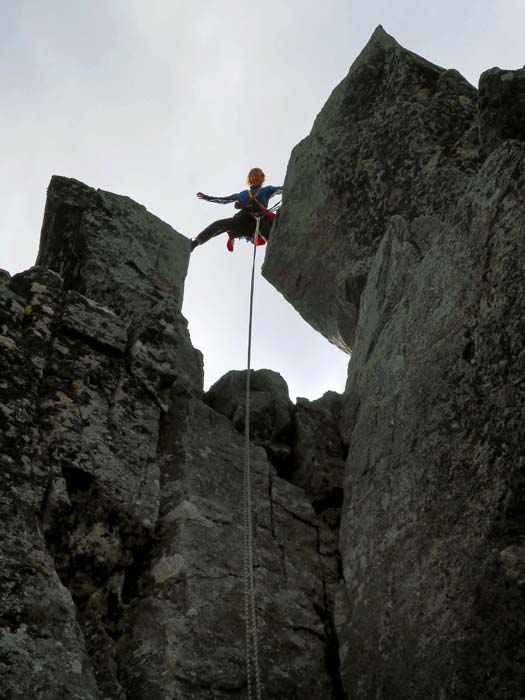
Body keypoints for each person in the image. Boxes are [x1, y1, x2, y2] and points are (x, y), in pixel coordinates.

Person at [191, 168, 283, 252]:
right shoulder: (244, 194)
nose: (254, 177)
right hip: (243, 220)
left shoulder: (267, 190)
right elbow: (224, 200)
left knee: (267, 233)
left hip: (260, 219)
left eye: (257, 175)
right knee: (219, 224)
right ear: (250, 179)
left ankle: (278, 252)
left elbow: (282, 189)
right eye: (252, 175)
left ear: (262, 178)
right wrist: (208, 198)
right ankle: (195, 243)